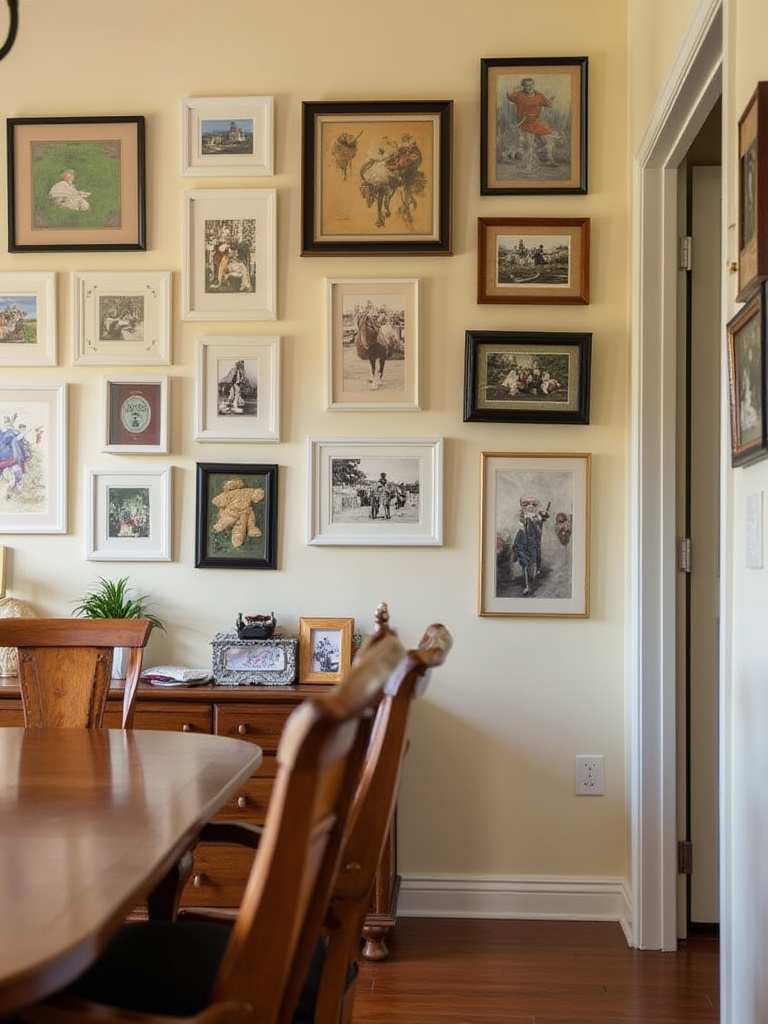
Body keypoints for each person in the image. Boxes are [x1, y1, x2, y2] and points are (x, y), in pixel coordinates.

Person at [505, 77, 559, 168]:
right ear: (523, 87)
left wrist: (551, 100)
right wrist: (513, 88)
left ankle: (550, 160)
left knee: (550, 138)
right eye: (527, 85)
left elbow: (548, 104)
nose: (530, 87)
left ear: (533, 85)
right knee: (529, 143)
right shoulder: (518, 95)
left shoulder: (539, 96)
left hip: (536, 122)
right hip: (524, 123)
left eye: (531, 85)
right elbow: (509, 96)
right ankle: (528, 164)